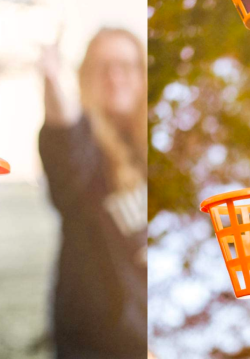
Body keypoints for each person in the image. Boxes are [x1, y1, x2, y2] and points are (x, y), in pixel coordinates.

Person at [38, 28, 147, 359]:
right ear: (85, 77)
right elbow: (64, 137)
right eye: (103, 67)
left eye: (126, 66)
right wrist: (53, 83)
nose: (115, 77)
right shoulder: (84, 145)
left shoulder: (150, 148)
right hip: (94, 342)